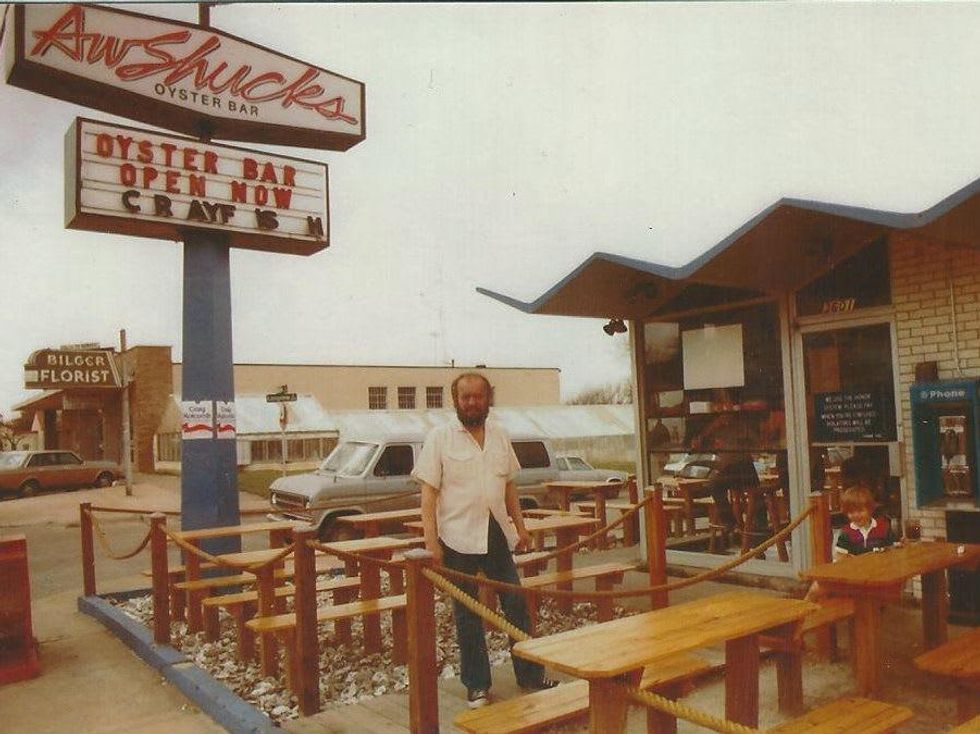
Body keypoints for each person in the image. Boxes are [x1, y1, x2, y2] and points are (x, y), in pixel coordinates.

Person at [413, 372, 555, 709]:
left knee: (516, 605)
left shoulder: (501, 436)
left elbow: (509, 487)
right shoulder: (440, 438)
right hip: (456, 536)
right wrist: (431, 544)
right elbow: (428, 495)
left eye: (478, 396)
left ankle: (530, 676)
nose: (473, 403)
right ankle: (477, 685)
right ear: (455, 401)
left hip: (495, 532)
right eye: (466, 397)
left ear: (488, 398)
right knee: (467, 614)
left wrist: (520, 529)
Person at [834, 484, 897, 558]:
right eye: (851, 512)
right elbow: (840, 556)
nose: (856, 515)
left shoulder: (884, 527)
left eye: (860, 511)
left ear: (870, 509)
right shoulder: (846, 533)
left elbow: (894, 549)